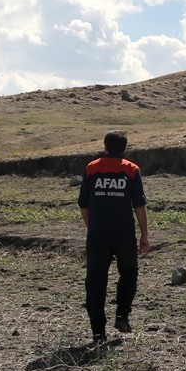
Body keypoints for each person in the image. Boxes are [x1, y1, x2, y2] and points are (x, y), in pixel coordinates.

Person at [77, 131, 150, 344]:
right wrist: (144, 234)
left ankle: (98, 332)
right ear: (125, 149)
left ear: (105, 146)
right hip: (124, 234)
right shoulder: (131, 169)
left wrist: (91, 226)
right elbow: (139, 205)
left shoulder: (91, 168)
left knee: (95, 281)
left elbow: (83, 204)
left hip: (98, 235)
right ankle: (122, 315)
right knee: (129, 273)